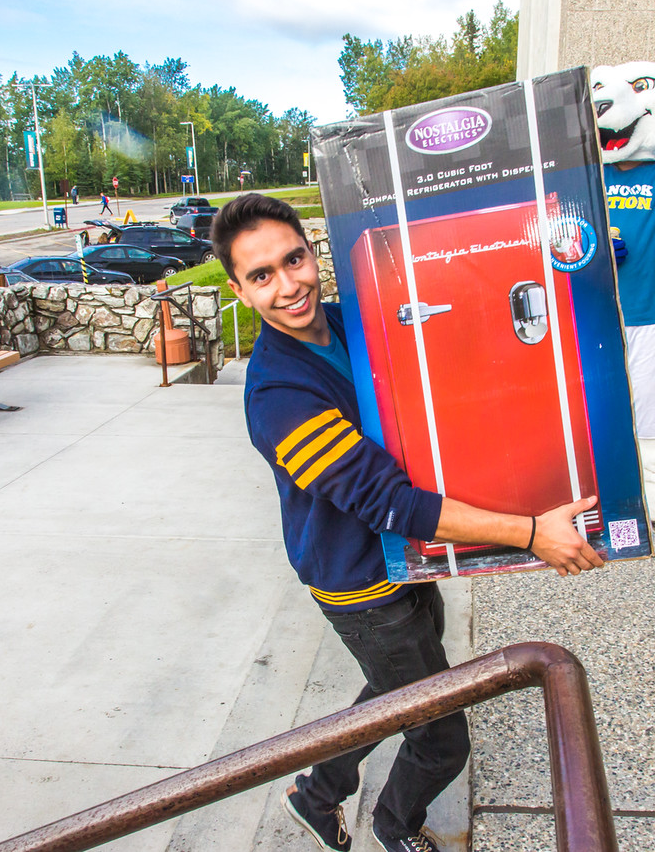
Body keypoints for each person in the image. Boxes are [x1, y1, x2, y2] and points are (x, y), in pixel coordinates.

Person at [210, 193, 602, 852]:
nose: (288, 286)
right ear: (239, 290)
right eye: (261, 276)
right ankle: (394, 827)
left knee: (397, 681)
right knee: (441, 736)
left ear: (312, 251)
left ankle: (317, 793)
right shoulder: (278, 396)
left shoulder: (345, 326)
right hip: (361, 583)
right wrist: (533, 533)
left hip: (405, 559)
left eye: (293, 260)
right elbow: (390, 501)